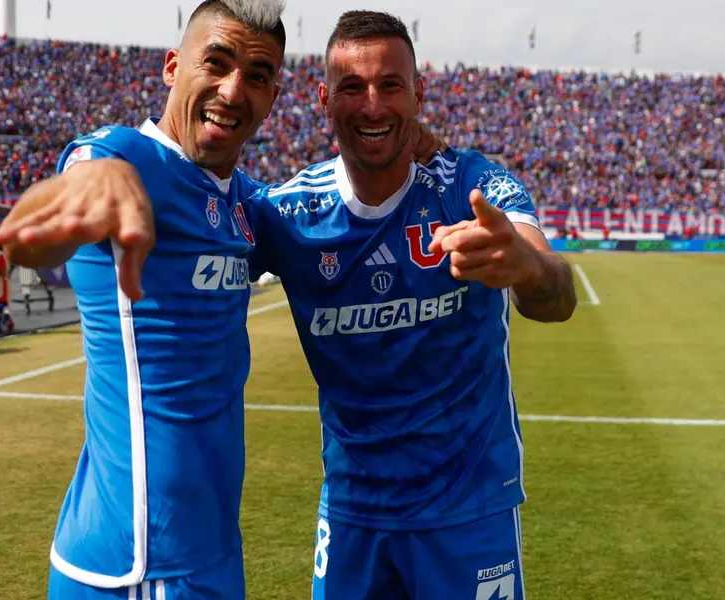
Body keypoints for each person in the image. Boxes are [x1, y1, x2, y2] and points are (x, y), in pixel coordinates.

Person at [246, 12, 576, 599]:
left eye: (390, 85)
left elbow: (556, 295)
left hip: (469, 511)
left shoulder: (471, 186)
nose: (372, 106)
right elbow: (196, 212)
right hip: (352, 513)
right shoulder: (287, 214)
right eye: (352, 87)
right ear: (324, 98)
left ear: (418, 93)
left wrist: (526, 267)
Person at [0, 2, 288, 598]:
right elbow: (32, 242)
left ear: (272, 96)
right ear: (173, 67)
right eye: (217, 63)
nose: (233, 91)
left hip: (213, 550)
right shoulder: (120, 156)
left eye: (257, 75)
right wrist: (94, 182)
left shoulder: (245, 204)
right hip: (134, 562)